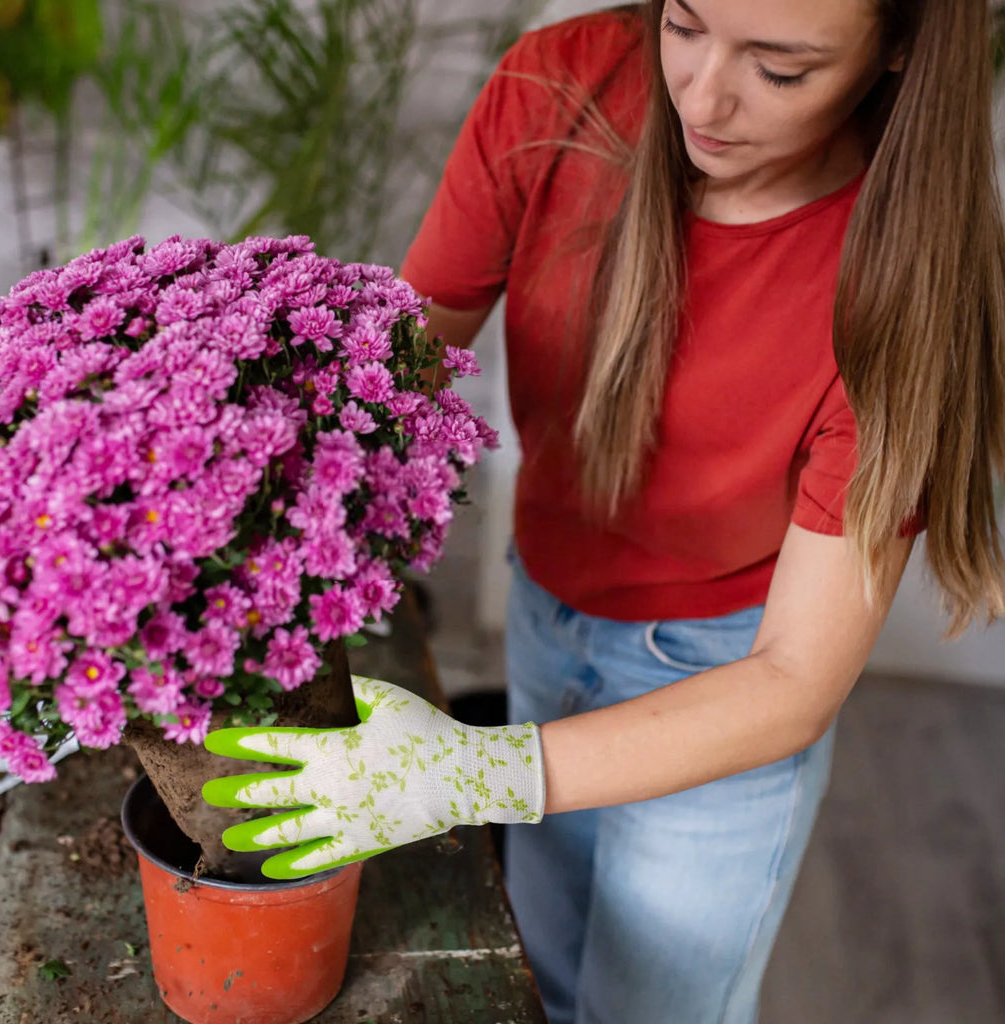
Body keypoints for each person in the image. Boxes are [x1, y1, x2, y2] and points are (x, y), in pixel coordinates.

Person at [202, 2, 1005, 1022]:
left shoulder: (898, 290)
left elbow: (794, 680)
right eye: (683, 24)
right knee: (541, 975)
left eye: (779, 70)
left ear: (897, 48)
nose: (701, 98)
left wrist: (479, 771)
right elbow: (398, 371)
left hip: (724, 691)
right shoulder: (556, 90)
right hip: (547, 613)